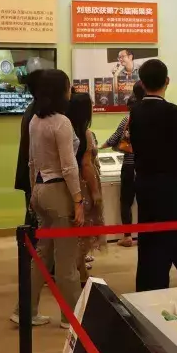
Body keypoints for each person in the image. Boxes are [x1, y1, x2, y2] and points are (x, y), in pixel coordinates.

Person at [126, 59, 177, 291]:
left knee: (154, 234)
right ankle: (160, 284)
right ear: (167, 81)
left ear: (142, 83)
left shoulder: (135, 112)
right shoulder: (172, 111)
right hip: (168, 183)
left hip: (143, 182)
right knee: (170, 231)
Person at [13, 69, 83, 327]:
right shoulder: (61, 122)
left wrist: (33, 192)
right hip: (58, 192)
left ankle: (25, 310)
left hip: (40, 190)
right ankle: (71, 317)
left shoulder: (35, 120)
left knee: (42, 256)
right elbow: (69, 166)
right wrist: (78, 200)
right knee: (66, 261)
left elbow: (32, 162)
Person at [67, 92, 104, 285]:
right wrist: (95, 191)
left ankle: (79, 270)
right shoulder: (85, 133)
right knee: (85, 230)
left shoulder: (66, 130)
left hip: (70, 184)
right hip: (84, 185)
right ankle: (79, 272)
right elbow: (87, 165)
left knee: (76, 231)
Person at [105, 81, 146, 247]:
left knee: (126, 201)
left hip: (129, 166)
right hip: (145, 166)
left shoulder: (127, 120)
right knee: (144, 202)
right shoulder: (149, 119)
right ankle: (144, 235)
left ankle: (127, 236)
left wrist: (101, 146)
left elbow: (114, 139)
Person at [15, 69, 46, 225]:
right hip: (36, 176)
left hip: (32, 175)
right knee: (36, 221)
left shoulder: (34, 108)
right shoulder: (39, 112)